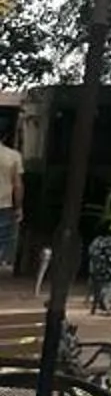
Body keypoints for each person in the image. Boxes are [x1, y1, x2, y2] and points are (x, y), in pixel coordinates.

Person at [0, 109, 24, 278]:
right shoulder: (14, 156)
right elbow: (17, 184)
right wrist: (19, 207)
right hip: (4, 205)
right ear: (6, 135)